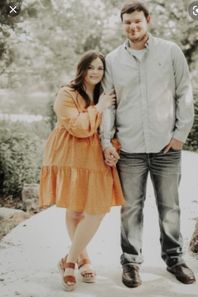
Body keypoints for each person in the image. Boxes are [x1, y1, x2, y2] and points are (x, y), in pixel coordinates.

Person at [100, 1, 196, 288]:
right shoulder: (113, 60)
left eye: (137, 21)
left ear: (148, 21)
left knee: (170, 207)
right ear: (122, 24)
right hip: (129, 148)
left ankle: (175, 259)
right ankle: (131, 262)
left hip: (166, 145)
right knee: (131, 208)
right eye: (127, 22)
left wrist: (180, 134)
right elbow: (108, 105)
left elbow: (184, 93)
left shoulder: (170, 51)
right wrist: (107, 140)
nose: (133, 27)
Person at [39, 50, 125, 291]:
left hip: (95, 156)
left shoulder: (105, 93)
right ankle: (82, 259)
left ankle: (68, 259)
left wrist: (113, 147)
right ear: (82, 69)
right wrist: (98, 107)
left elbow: (112, 126)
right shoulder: (67, 93)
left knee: (96, 211)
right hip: (70, 155)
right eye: (91, 67)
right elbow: (78, 126)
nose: (95, 72)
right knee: (76, 209)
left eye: (100, 68)